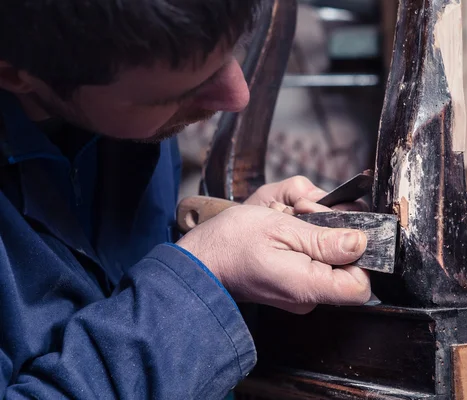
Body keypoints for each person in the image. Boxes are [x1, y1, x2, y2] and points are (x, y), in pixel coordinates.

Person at [0, 1, 372, 399]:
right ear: (16, 74)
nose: (238, 96)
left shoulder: (128, 110)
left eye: (231, 52)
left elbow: (112, 293)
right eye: (182, 91)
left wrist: (242, 271)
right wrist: (202, 279)